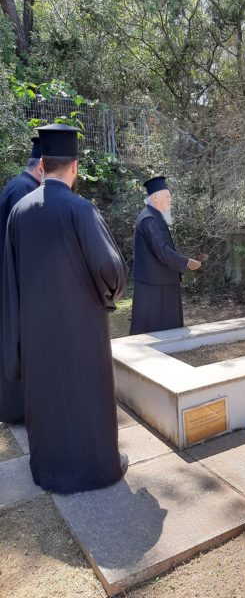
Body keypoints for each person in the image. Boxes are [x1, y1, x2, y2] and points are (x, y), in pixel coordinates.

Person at [3, 124, 129, 494]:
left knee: (47, 398)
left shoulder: (19, 211)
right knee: (87, 394)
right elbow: (110, 268)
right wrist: (109, 294)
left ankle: (51, 470)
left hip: (36, 331)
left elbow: (10, 278)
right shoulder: (81, 209)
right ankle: (98, 469)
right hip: (81, 328)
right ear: (74, 166)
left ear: (42, 165)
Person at [0, 137, 43, 424]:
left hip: (10, 281)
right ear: (42, 167)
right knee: (21, 345)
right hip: (17, 285)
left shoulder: (16, 185)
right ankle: (22, 410)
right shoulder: (25, 192)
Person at [130, 176, 201, 335]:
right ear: (155, 198)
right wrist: (187, 262)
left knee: (161, 327)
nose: (170, 200)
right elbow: (162, 251)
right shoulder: (149, 219)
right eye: (167, 197)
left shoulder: (153, 216)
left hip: (159, 281)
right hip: (155, 285)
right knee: (156, 329)